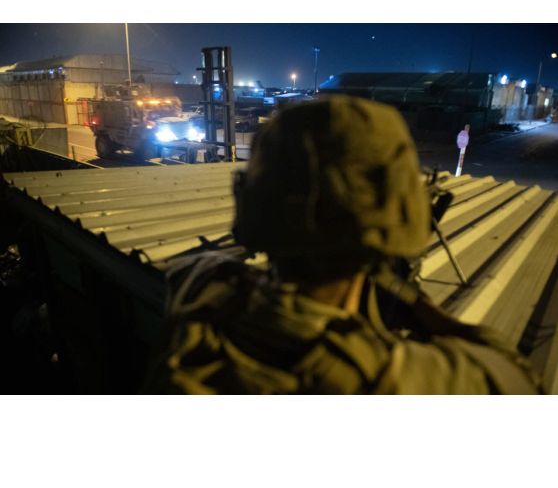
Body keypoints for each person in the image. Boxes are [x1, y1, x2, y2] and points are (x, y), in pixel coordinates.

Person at [143, 95, 541, 394]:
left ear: (251, 206)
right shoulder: (403, 377)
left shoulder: (200, 295)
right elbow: (518, 376)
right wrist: (410, 303)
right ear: (405, 215)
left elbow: (206, 266)